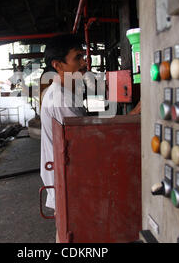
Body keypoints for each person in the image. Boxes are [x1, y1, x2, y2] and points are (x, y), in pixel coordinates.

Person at [39, 34, 141, 242]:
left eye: (84, 57)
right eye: (78, 58)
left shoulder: (64, 90)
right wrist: (131, 117)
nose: (85, 62)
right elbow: (86, 142)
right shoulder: (60, 98)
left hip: (66, 179)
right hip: (67, 182)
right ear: (58, 65)